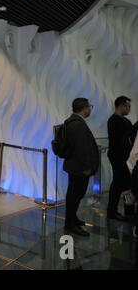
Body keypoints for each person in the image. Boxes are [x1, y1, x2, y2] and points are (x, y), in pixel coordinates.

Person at [63, 98, 99, 237]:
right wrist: (87, 166)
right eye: (90, 106)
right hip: (79, 168)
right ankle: (70, 224)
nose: (90, 108)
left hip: (76, 166)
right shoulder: (77, 124)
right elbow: (81, 149)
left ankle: (72, 219)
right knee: (75, 195)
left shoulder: (74, 122)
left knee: (75, 194)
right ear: (84, 108)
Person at [107, 96, 136, 221]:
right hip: (118, 158)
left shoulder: (125, 121)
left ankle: (122, 210)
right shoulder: (114, 121)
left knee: (122, 185)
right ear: (121, 106)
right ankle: (119, 211)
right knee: (122, 186)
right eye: (128, 106)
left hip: (124, 158)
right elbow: (123, 139)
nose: (129, 109)